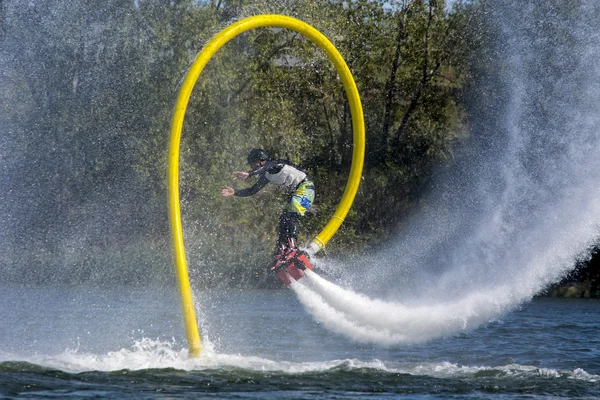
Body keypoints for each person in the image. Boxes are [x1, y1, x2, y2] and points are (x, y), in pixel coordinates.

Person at [221, 148, 315, 268]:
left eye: (252, 164)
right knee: (283, 220)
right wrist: (234, 192)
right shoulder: (267, 175)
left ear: (260, 161)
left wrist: (250, 173)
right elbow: (252, 190)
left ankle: (292, 247)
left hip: (306, 187)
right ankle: (282, 250)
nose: (252, 166)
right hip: (296, 192)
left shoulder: (276, 164)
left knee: (290, 214)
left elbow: (266, 167)